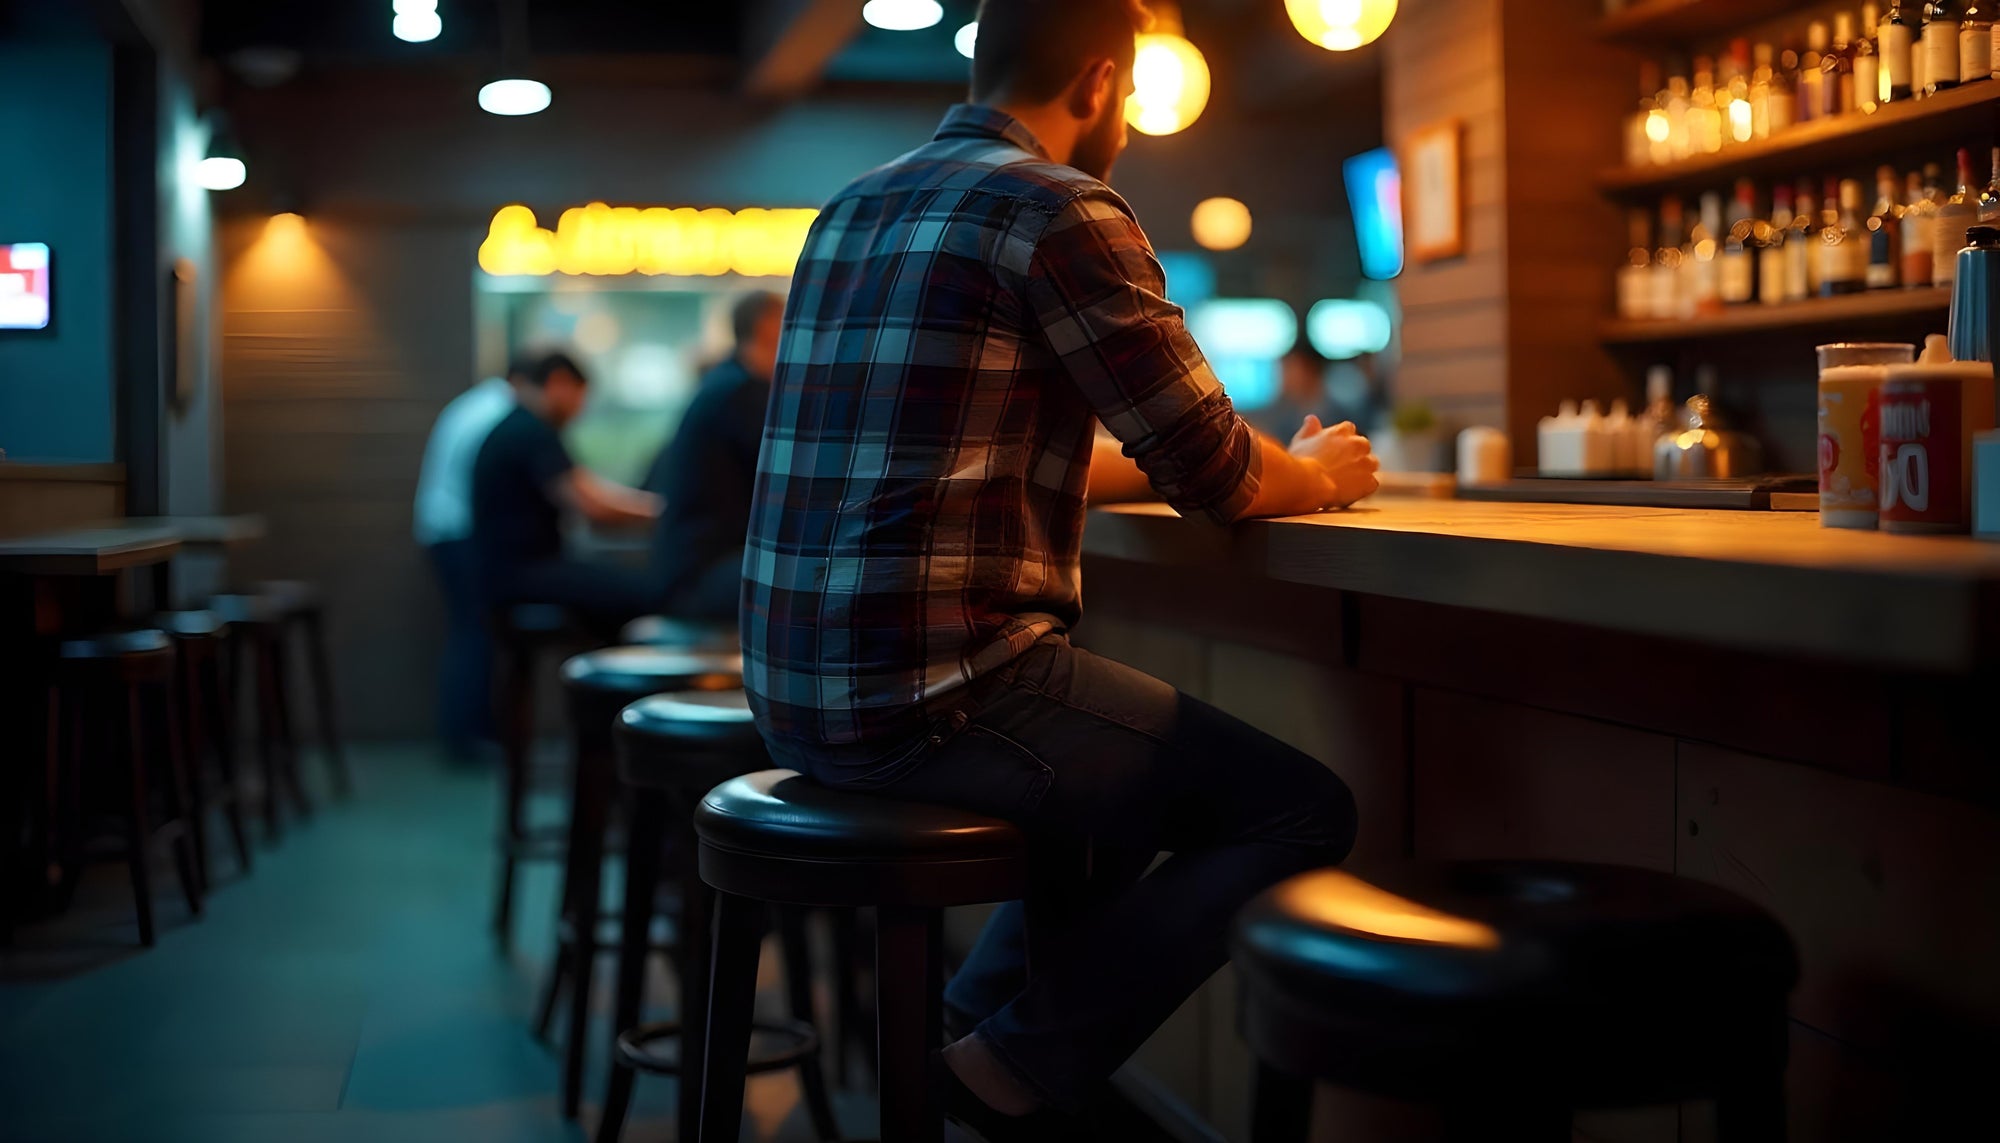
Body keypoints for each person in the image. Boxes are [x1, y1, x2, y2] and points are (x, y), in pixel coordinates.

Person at [739, 0, 1380, 1134]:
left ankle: (971, 1040)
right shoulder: (1059, 206)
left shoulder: (849, 208)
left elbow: (1009, 458)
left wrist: (1227, 462)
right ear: (1097, 83)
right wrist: (1318, 475)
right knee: (1296, 811)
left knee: (1118, 776)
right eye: (1127, 96)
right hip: (931, 695)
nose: (1125, 121)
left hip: (792, 696)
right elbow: (1219, 473)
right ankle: (1012, 1068)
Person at [469, 351, 660, 638]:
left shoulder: (514, 425)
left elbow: (588, 491)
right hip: (522, 573)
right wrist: (665, 512)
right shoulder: (531, 431)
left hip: (506, 571)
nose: (580, 409)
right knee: (645, 590)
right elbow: (593, 506)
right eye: (580, 397)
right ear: (559, 383)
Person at [642, 290, 785, 621]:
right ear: (769, 328)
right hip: (700, 579)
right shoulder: (742, 394)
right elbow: (790, 482)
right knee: (818, 587)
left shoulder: (727, 383)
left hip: (690, 570)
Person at [414, 369, 517, 762]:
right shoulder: (498, 414)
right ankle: (467, 739)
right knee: (473, 633)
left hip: (447, 530)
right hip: (459, 532)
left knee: (470, 631)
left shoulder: (478, 404)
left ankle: (470, 734)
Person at [1246, 344, 1333, 441]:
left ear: (1310, 371)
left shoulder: (1336, 417)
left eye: (1288, 369)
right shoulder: (1289, 415)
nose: (1283, 379)